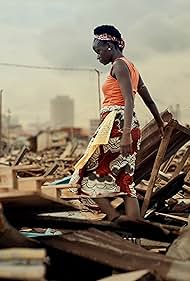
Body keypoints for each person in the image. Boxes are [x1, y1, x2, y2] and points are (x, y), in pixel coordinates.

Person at [69, 25, 165, 222]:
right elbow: (149, 100)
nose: (97, 56)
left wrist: (126, 133)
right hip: (126, 124)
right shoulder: (131, 67)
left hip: (117, 124)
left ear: (109, 46)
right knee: (124, 180)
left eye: (98, 50)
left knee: (86, 175)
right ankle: (134, 234)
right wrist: (160, 123)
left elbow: (128, 99)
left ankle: (116, 221)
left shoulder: (119, 65)